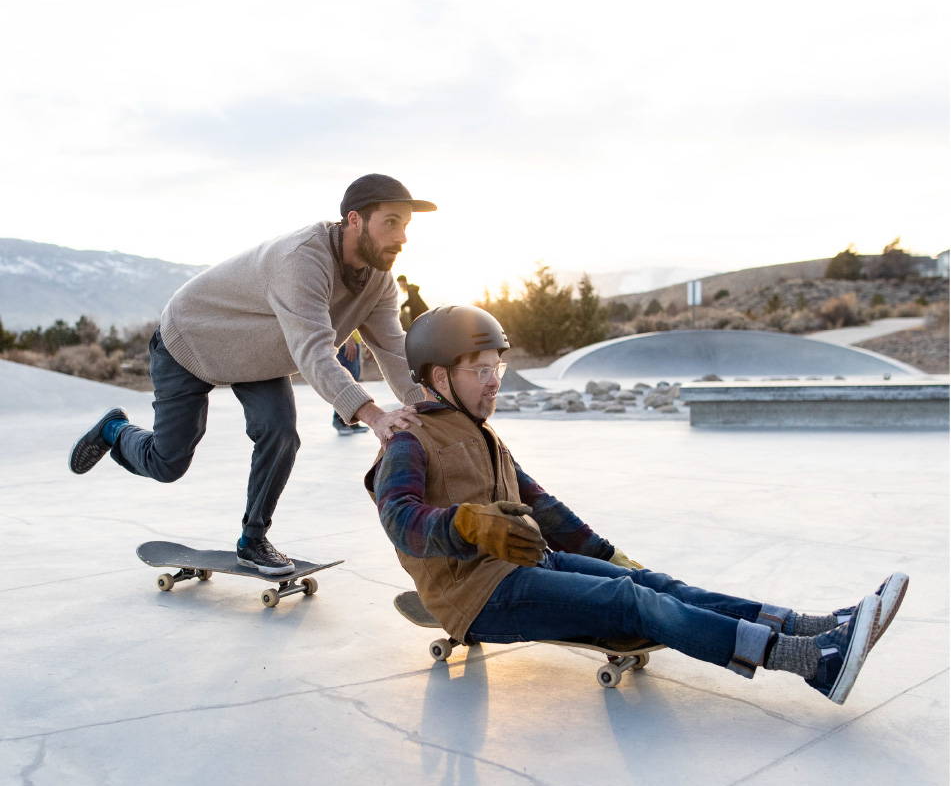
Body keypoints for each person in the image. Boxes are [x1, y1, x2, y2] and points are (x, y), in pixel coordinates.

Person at [365, 306, 909, 704]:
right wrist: (465, 524)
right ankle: (812, 663)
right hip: (478, 593)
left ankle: (811, 626)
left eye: (496, 370)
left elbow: (543, 508)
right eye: (479, 371)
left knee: (656, 584)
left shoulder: (486, 436)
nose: (493, 383)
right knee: (630, 601)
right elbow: (399, 519)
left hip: (529, 566)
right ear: (440, 377)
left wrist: (610, 554)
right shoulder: (410, 439)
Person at [69, 174, 434, 575]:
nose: (402, 238)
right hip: (190, 341)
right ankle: (115, 431)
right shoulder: (303, 259)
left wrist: (431, 409)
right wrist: (375, 416)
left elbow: (393, 350)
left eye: (406, 226)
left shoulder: (379, 281)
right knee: (167, 463)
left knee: (280, 433)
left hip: (255, 355)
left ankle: (253, 539)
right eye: (391, 223)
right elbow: (313, 350)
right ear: (354, 220)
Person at [332, 333, 369, 435]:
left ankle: (351, 421)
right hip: (345, 342)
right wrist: (348, 339)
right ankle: (339, 420)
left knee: (354, 380)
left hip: (353, 341)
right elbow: (341, 321)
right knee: (346, 383)